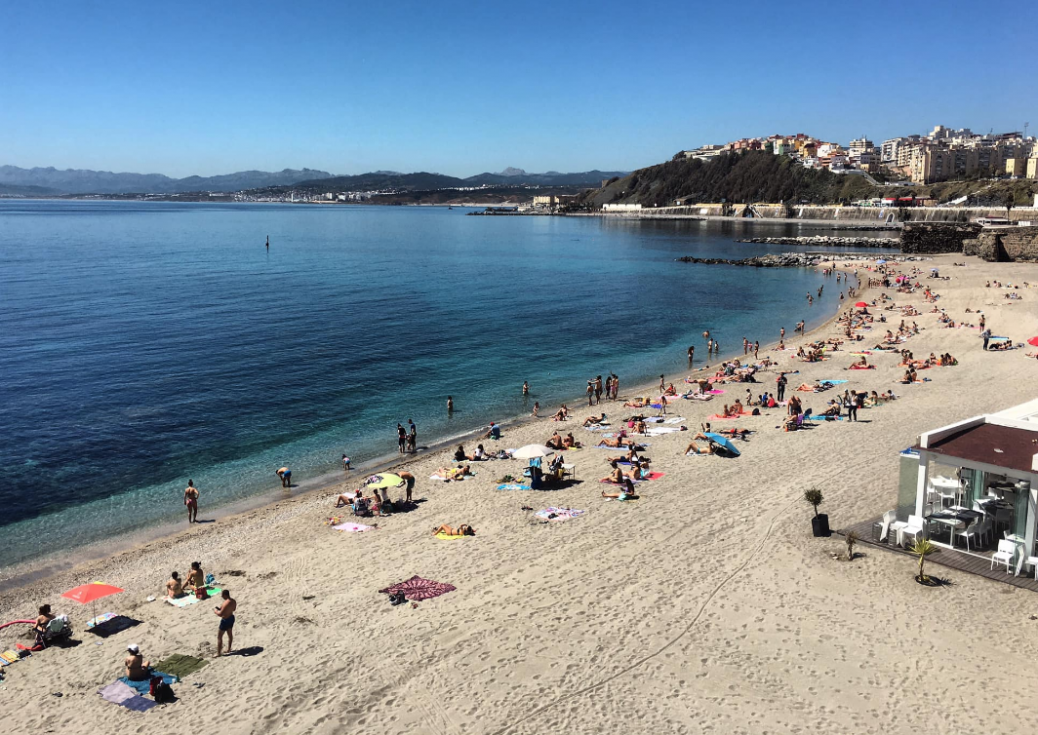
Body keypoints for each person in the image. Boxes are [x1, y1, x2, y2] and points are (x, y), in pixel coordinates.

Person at [215, 590, 236, 656]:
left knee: (219, 636)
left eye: (222, 595)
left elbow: (220, 614)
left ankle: (218, 653)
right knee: (230, 634)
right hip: (231, 618)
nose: (222, 596)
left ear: (225, 595)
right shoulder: (233, 601)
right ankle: (229, 649)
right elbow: (234, 609)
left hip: (225, 620)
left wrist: (215, 611)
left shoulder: (226, 603)